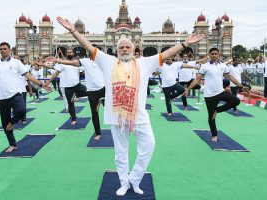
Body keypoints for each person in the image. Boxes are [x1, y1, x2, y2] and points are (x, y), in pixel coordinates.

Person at [57, 16, 205, 196]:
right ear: (117, 51)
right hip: (117, 115)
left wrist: (184, 43)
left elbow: (166, 54)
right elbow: (89, 46)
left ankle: (134, 179)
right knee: (121, 152)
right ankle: (123, 183)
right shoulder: (107, 61)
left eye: (128, 47)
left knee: (149, 145)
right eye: (121, 47)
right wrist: (73, 31)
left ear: (134, 49)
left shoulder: (144, 63)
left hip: (139, 115)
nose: (124, 49)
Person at [0, 42, 51, 153]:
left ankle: (12, 123)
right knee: (4, 124)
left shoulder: (16, 62)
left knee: (21, 110)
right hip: (2, 97)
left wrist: (41, 85)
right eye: (1, 49)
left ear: (9, 50)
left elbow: (28, 75)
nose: (3, 50)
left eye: (5, 49)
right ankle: (12, 144)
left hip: (15, 94)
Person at [183, 48, 249, 142]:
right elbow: (197, 79)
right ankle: (214, 135)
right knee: (211, 117)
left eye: (215, 53)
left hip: (220, 92)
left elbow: (230, 77)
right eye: (212, 54)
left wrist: (240, 86)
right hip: (209, 95)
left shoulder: (223, 65)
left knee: (236, 101)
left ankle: (217, 110)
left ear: (219, 54)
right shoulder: (205, 66)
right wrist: (188, 89)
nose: (214, 55)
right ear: (209, 55)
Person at [50, 56, 105, 140]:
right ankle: (96, 132)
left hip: (102, 88)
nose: (69, 53)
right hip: (86, 90)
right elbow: (58, 68)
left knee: (111, 110)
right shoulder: (84, 61)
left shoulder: (104, 60)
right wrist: (58, 60)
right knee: (93, 112)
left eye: (71, 52)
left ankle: (118, 126)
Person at [44, 48, 87, 125]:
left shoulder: (77, 62)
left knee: (90, 92)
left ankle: (78, 95)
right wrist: (49, 81)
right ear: (66, 54)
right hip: (68, 87)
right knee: (70, 103)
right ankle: (73, 119)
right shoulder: (63, 63)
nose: (69, 53)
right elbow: (56, 73)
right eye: (68, 52)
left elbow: (83, 72)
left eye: (71, 52)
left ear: (73, 53)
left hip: (77, 85)